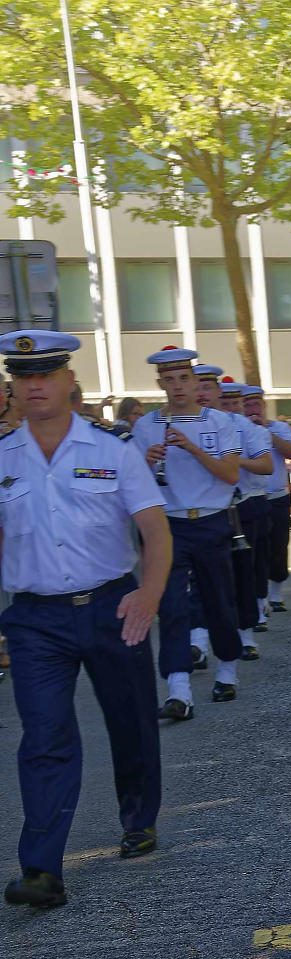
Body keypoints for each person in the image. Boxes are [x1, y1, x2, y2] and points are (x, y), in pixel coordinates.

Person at [0, 330, 172, 909]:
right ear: (13, 388)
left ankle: (138, 818)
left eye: (47, 373)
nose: (36, 384)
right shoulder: (3, 457)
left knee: (130, 722)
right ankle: (43, 869)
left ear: (70, 380)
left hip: (111, 606)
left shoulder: (112, 449)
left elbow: (154, 530)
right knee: (44, 736)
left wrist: (148, 594)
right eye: (25, 376)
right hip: (34, 619)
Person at [140, 346, 244, 714]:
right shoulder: (146, 425)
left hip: (211, 521)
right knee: (170, 606)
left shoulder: (219, 422)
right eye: (169, 380)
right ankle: (178, 689)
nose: (177, 387)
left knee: (218, 600)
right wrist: (147, 462)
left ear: (194, 381)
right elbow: (135, 485)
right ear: (160, 384)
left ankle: (227, 671)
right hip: (168, 525)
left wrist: (193, 449)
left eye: (184, 379)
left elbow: (231, 475)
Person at [201, 373, 274, 661]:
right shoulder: (193, 424)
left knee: (244, 573)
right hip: (206, 509)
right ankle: (203, 639)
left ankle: (246, 634)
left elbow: (266, 465)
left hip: (244, 505)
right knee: (208, 580)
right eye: (227, 401)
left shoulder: (244, 426)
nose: (229, 406)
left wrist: (233, 461)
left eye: (234, 401)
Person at [243, 389, 291, 615]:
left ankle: (276, 593)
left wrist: (266, 430)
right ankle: (258, 597)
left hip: (276, 497)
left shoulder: (279, 427)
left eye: (256, 404)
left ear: (263, 406)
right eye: (248, 405)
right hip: (253, 498)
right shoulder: (239, 429)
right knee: (256, 551)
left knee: (278, 547)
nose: (252, 409)